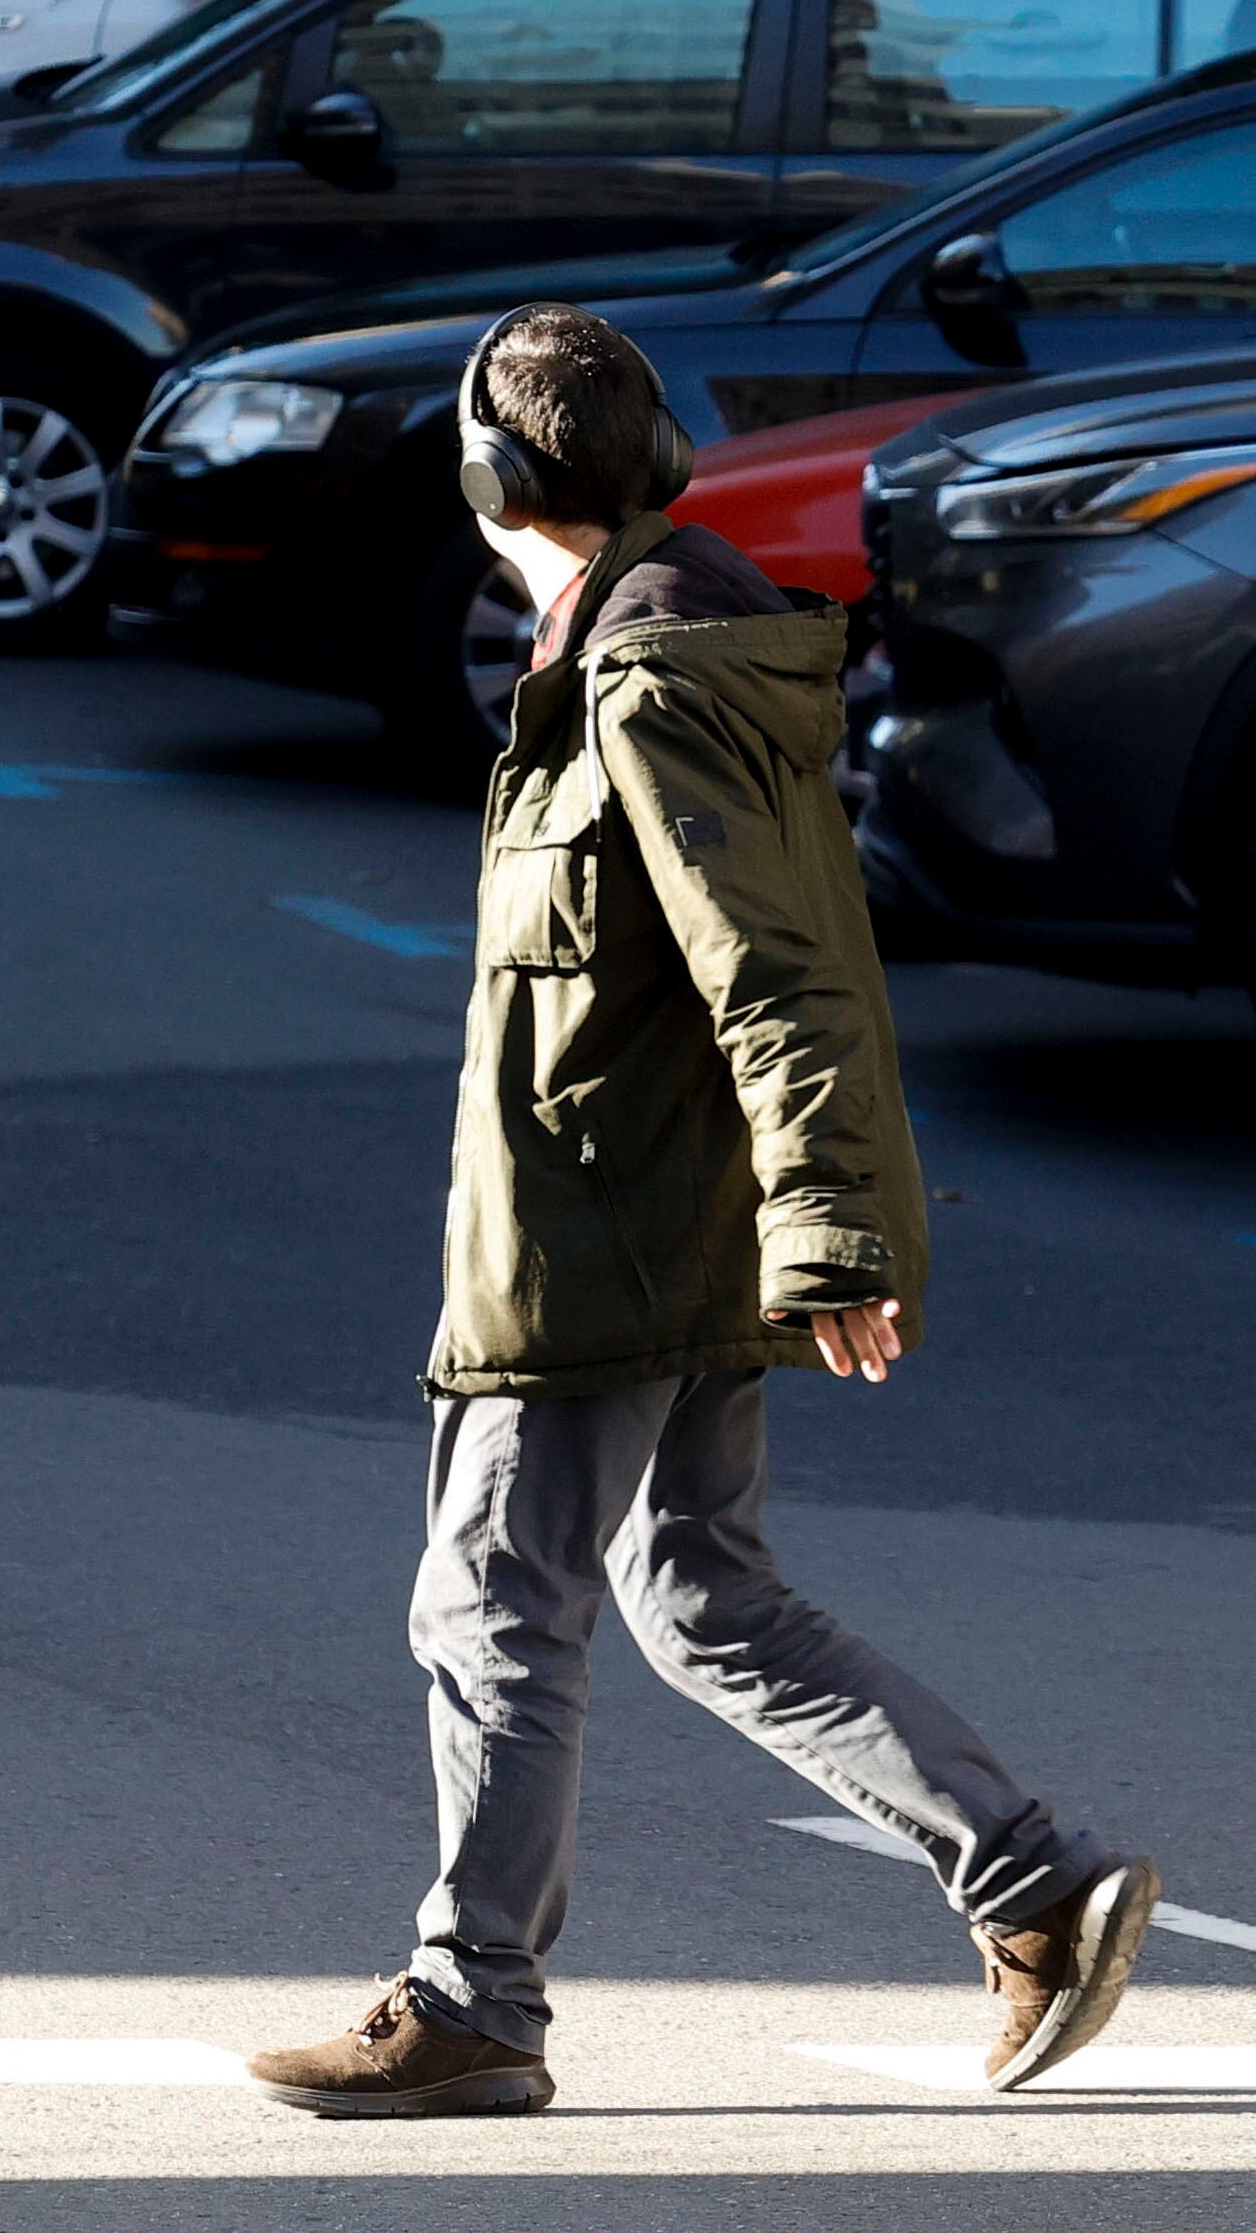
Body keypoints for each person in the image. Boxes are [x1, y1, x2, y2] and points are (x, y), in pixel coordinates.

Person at [247, 304, 1159, 2120]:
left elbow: (779, 970)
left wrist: (825, 1224)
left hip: (610, 1234)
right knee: (696, 1594)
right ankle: (1033, 1886)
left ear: (490, 481)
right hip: (672, 1203)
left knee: (495, 1602)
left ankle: (470, 1999)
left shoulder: (650, 683)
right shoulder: (663, 636)